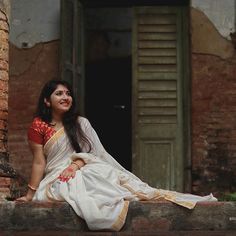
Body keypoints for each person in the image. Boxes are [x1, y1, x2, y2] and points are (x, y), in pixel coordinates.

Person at [16, 80, 217, 231]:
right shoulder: (38, 126)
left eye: (68, 93)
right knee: (74, 186)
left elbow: (92, 152)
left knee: (98, 174)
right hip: (56, 176)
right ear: (46, 100)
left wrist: (75, 166)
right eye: (58, 93)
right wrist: (29, 195)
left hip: (80, 167)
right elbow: (39, 161)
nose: (65, 97)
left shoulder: (80, 123)